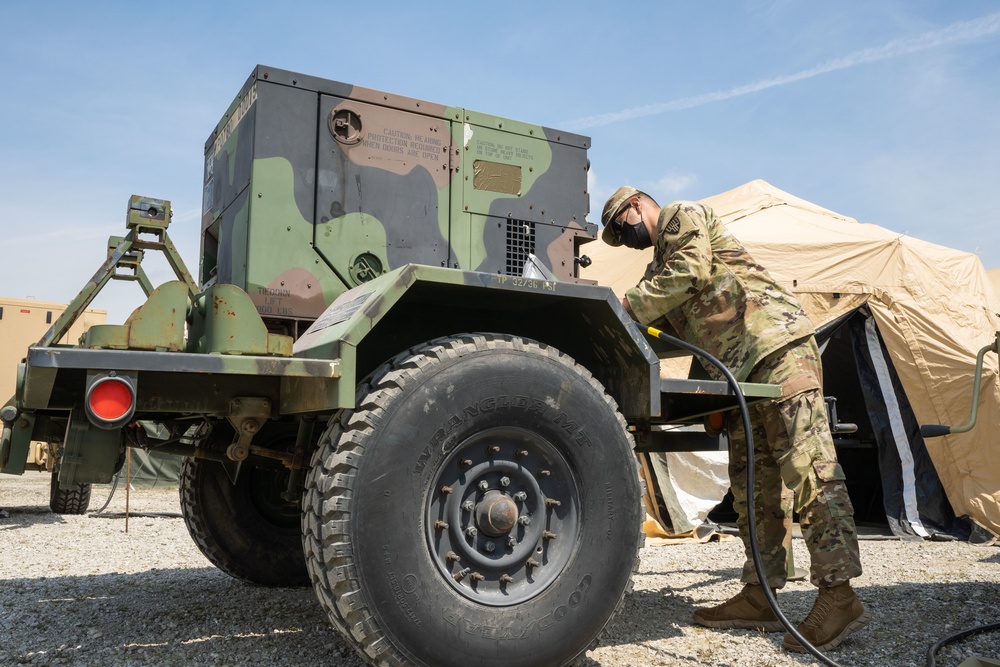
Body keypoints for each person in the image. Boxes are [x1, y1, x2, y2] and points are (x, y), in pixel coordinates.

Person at [601, 186, 870, 652]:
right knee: (754, 485)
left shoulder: (679, 218)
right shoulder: (657, 271)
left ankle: (839, 595)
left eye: (620, 229)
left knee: (809, 469)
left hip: (776, 347)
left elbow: (692, 271)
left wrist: (625, 304)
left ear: (636, 205)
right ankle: (761, 594)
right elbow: (697, 333)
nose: (622, 241)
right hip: (743, 374)